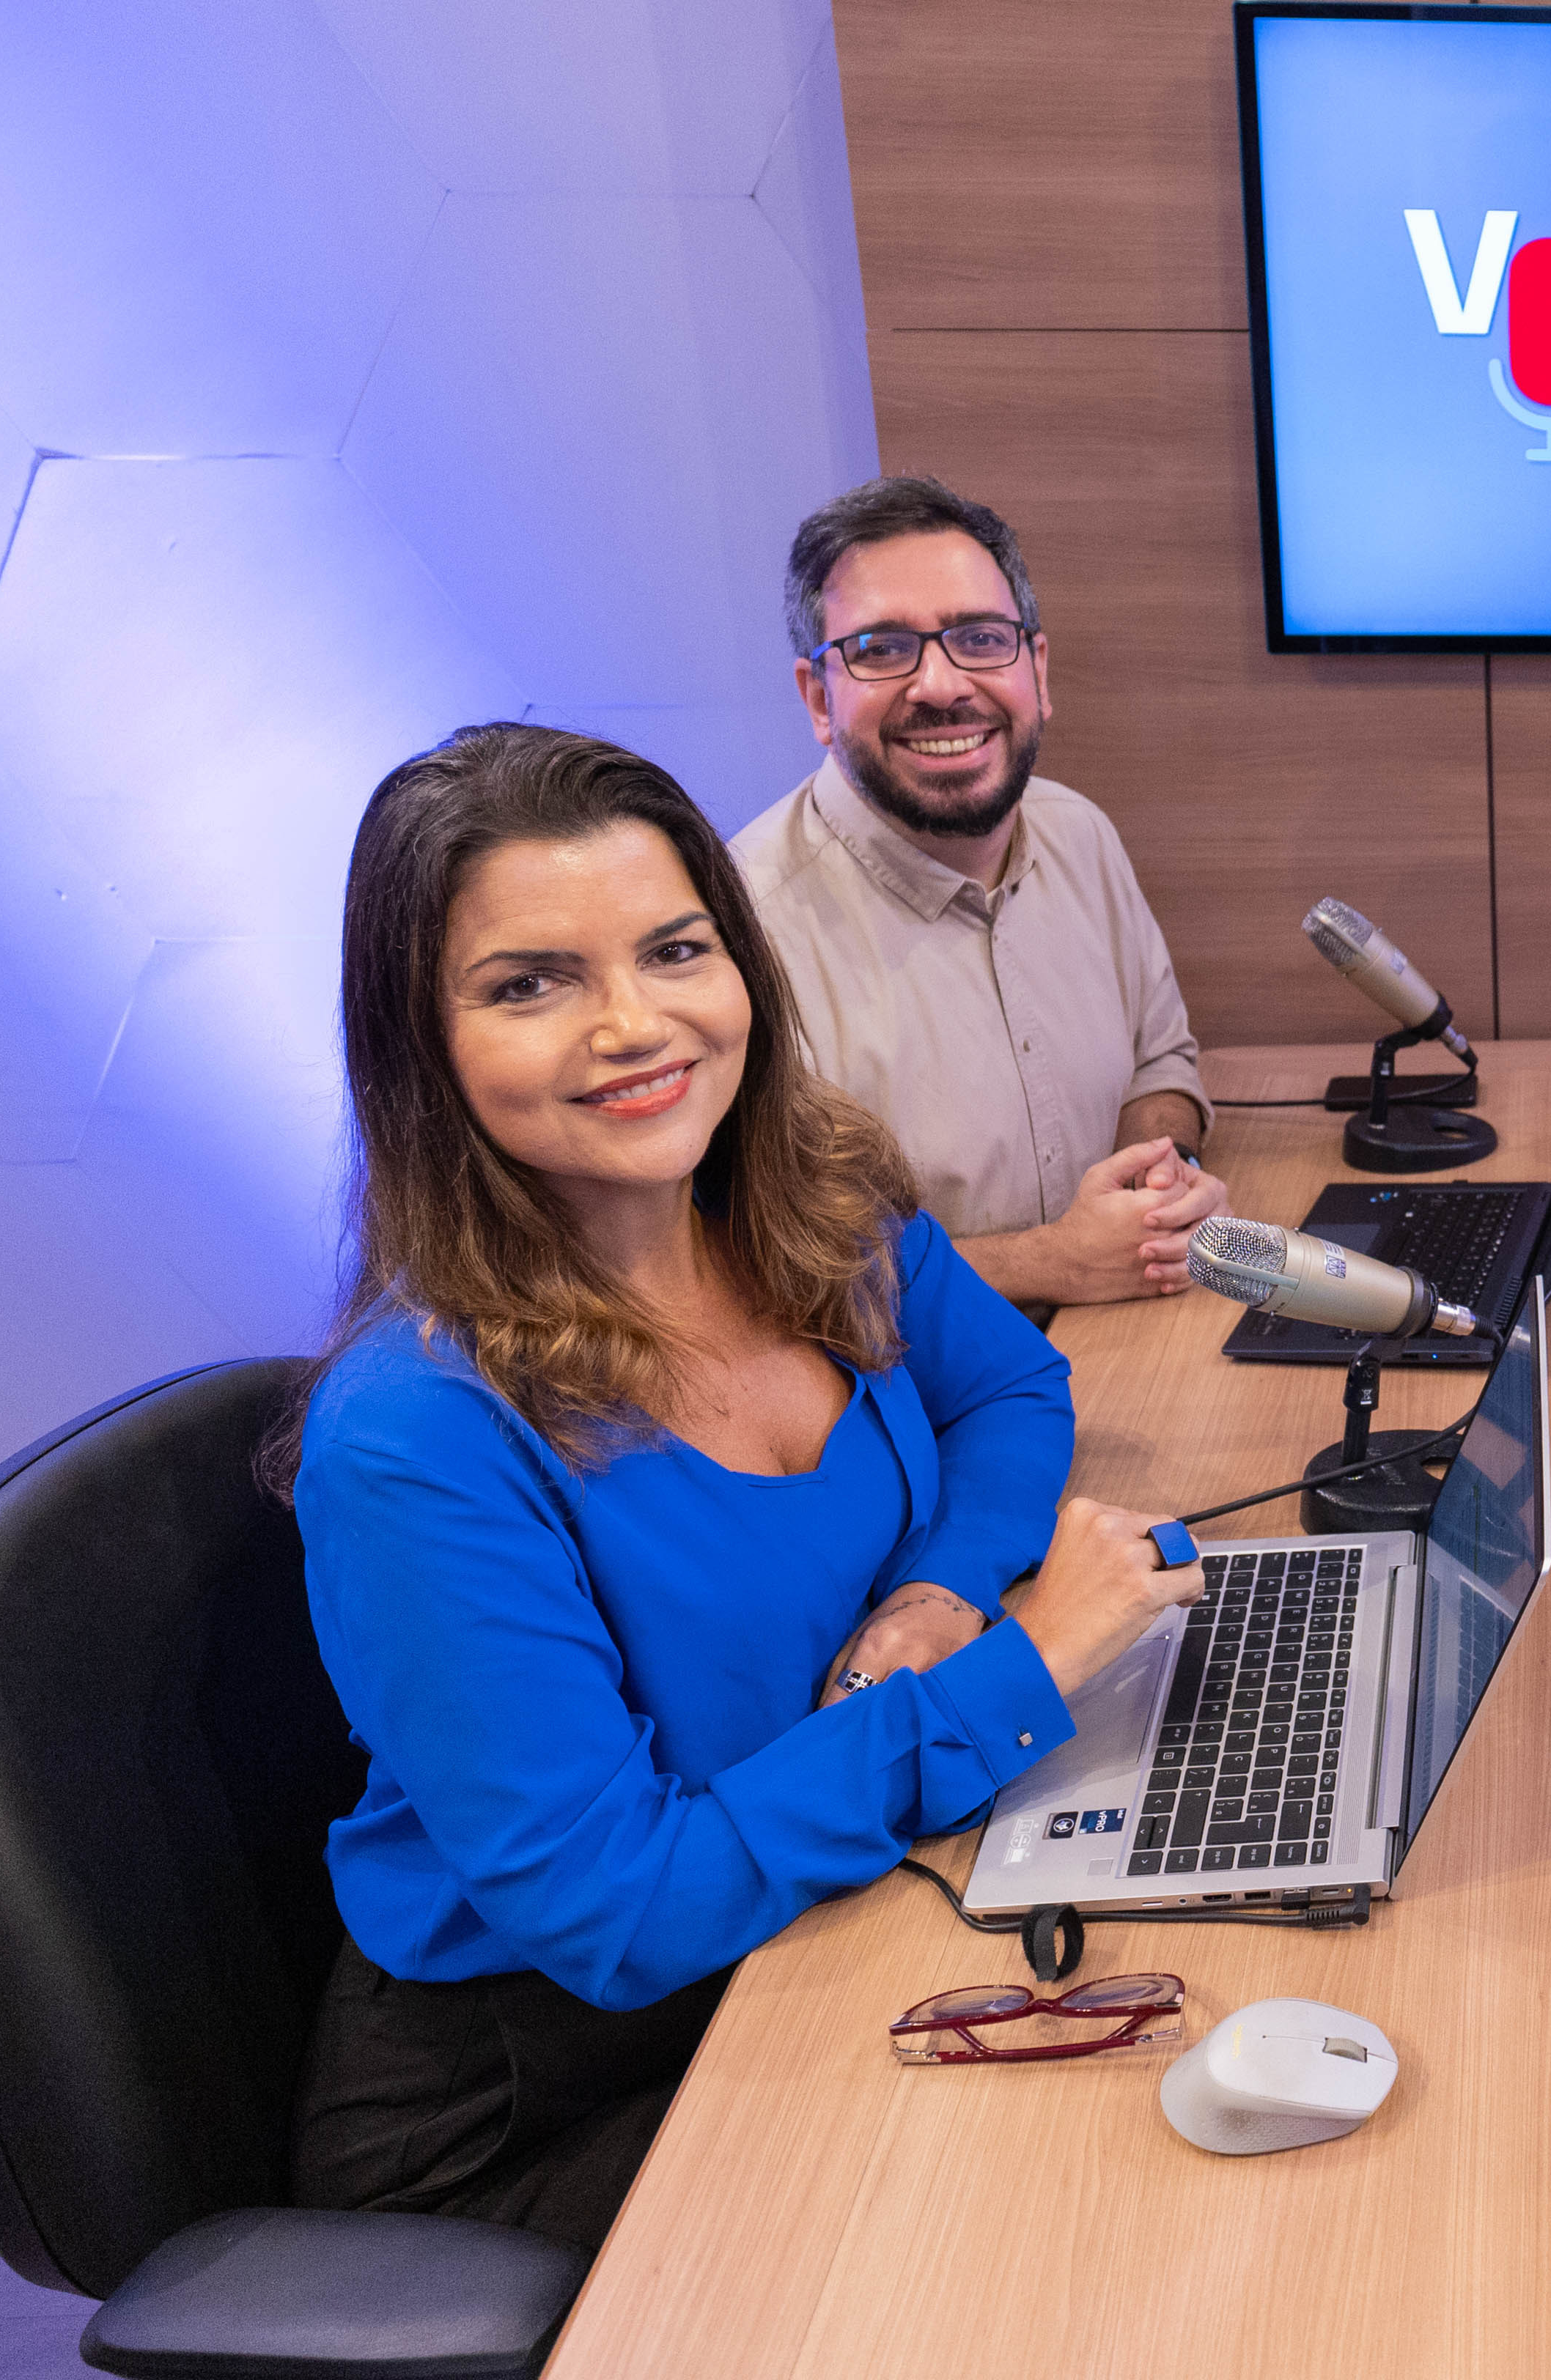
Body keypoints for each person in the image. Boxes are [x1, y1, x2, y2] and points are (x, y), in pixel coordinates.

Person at [276, 723, 1199, 2249]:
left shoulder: (815, 1200)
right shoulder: (415, 1435)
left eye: (673, 949)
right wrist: (1018, 1673)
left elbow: (1009, 1390)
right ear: (419, 1041)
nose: (634, 1024)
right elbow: (624, 1910)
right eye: (530, 983)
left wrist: (940, 1592)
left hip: (821, 1906)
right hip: (552, 2086)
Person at [730, 476, 1226, 1310]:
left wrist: (1161, 1178)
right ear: (818, 698)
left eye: (982, 638)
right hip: (902, 1385)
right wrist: (1049, 1263)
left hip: (1122, 1332)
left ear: (1037, 669)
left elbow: (1160, 1065)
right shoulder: (741, 931)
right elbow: (752, 1274)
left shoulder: (1081, 834)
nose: (941, 685)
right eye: (882, 649)